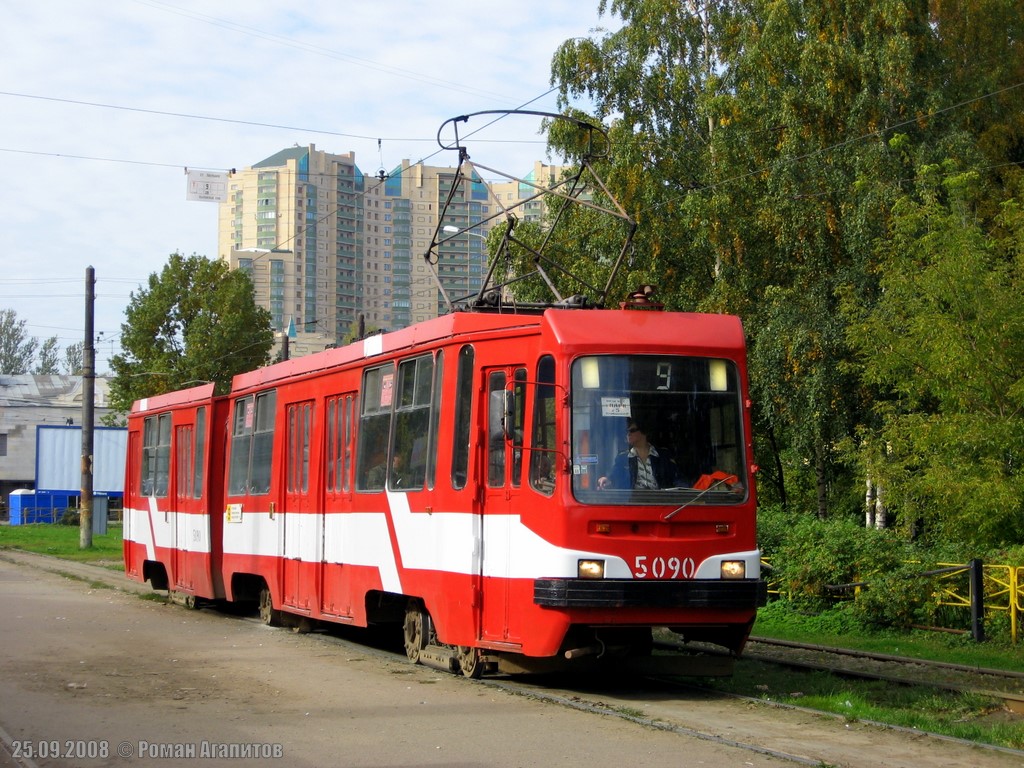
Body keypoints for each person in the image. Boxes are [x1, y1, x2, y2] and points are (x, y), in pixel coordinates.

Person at [597, 420, 679, 490]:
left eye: (632, 430)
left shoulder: (663, 455)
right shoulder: (623, 458)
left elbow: (677, 477)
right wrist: (607, 480)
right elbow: (614, 476)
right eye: (627, 431)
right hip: (635, 502)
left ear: (644, 432)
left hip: (661, 502)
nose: (628, 434)